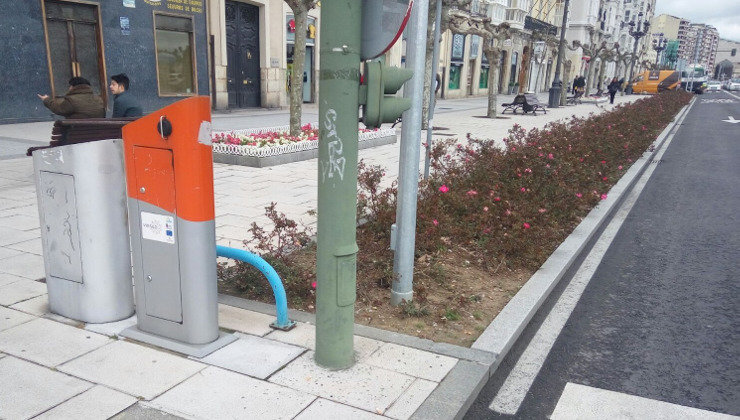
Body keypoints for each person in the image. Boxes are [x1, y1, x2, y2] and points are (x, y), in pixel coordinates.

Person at [37, 77, 105, 119]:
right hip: (97, 133)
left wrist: (46, 100)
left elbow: (59, 109)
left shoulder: (71, 100)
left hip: (76, 134)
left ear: (72, 87)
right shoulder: (98, 99)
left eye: (69, 86)